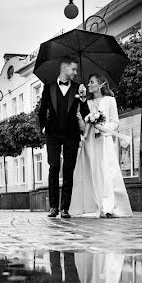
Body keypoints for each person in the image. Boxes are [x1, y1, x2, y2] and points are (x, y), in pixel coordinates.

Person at [69, 74, 133, 218]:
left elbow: (115, 122)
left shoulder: (110, 100)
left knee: (106, 171)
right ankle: (93, 205)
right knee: (92, 171)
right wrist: (83, 119)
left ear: (101, 84)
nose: (89, 85)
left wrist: (102, 126)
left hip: (104, 140)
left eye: (91, 82)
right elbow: (83, 125)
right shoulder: (87, 102)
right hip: (90, 140)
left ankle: (109, 206)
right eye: (88, 82)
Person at [37, 56, 90, 218]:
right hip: (52, 133)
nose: (75, 72)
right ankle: (53, 207)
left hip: (71, 134)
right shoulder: (49, 87)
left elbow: (86, 113)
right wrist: (43, 127)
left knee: (68, 170)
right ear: (64, 68)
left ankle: (65, 208)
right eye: (73, 69)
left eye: (75, 69)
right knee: (53, 167)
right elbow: (42, 110)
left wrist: (83, 98)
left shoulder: (78, 88)